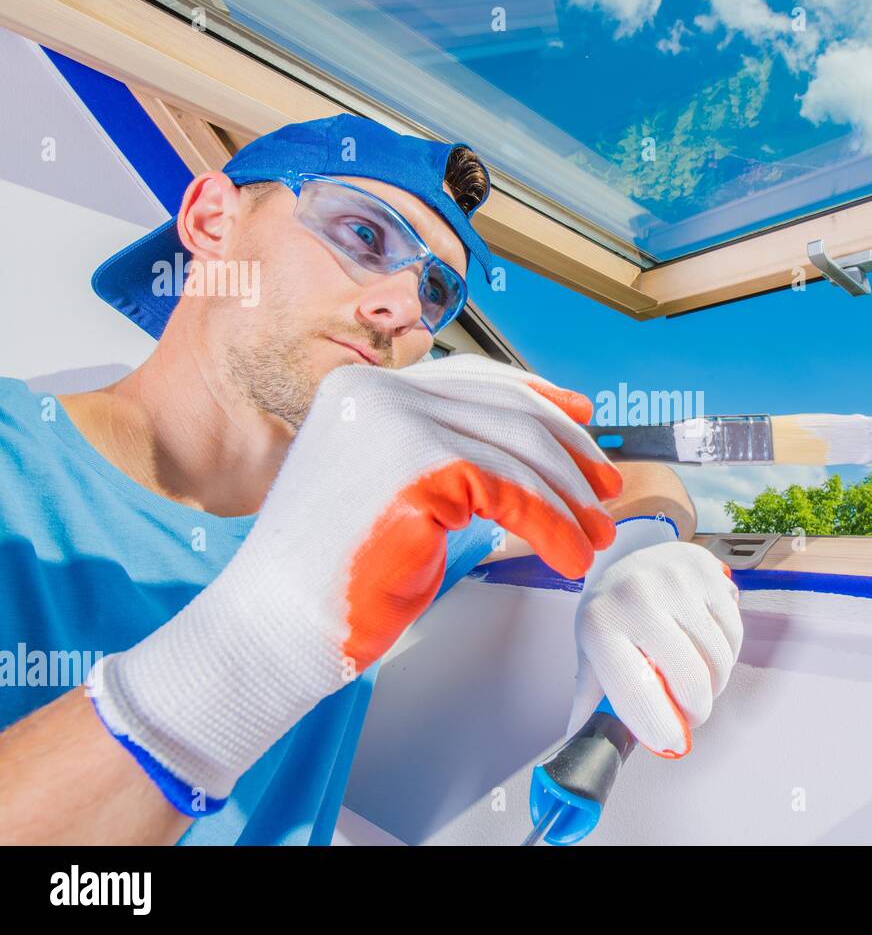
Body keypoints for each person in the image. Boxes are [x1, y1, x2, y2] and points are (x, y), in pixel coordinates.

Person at [0, 113, 741, 845]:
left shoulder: (386, 517)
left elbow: (627, 479)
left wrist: (643, 554)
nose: (400, 309)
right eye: (362, 234)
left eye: (435, 289)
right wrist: (258, 643)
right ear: (211, 220)